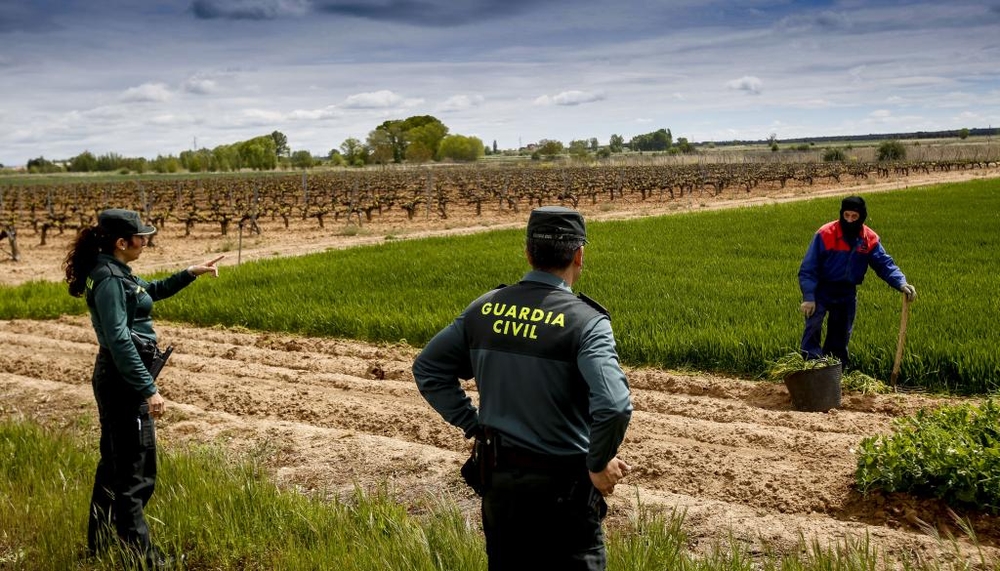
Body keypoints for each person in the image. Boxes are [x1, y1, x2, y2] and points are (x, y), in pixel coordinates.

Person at [412, 206, 633, 571]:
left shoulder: (484, 310)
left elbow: (428, 369)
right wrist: (597, 463)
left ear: (528, 252)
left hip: (501, 487)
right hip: (565, 491)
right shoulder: (587, 323)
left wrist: (474, 424)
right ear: (579, 255)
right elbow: (614, 406)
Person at [64, 208, 223, 568]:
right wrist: (149, 388)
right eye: (141, 237)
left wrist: (190, 273)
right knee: (137, 472)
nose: (146, 241)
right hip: (123, 382)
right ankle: (144, 560)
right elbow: (120, 341)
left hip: (118, 378)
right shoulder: (108, 280)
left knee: (114, 466)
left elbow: (149, 291)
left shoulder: (115, 272)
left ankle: (101, 547)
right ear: (122, 242)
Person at [798, 196, 916, 366]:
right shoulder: (825, 234)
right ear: (841, 214)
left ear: (862, 217)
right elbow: (808, 268)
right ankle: (811, 366)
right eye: (846, 216)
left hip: (847, 292)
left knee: (841, 334)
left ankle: (835, 369)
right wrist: (809, 297)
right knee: (813, 326)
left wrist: (901, 283)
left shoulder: (869, 239)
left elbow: (884, 264)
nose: (850, 220)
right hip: (822, 288)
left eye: (854, 217)